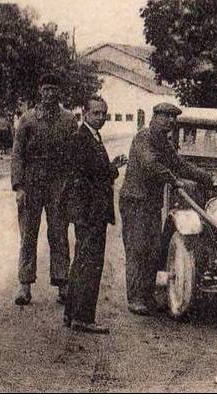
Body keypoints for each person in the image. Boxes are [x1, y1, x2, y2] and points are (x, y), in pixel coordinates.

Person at [119, 102, 212, 315]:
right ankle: (135, 298)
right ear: (155, 117)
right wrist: (174, 181)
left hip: (150, 203)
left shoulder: (163, 142)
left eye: (173, 117)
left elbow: (179, 164)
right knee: (137, 249)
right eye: (166, 116)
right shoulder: (144, 138)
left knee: (152, 249)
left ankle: (147, 296)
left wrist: (206, 178)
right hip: (135, 201)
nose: (171, 121)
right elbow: (150, 165)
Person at [10, 73, 78, 306]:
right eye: (46, 89)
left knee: (59, 234)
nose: (50, 93)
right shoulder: (28, 120)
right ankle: (24, 285)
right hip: (31, 184)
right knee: (28, 235)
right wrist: (18, 186)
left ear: (59, 92)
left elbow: (73, 156)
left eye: (54, 89)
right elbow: (17, 155)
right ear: (40, 90)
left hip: (58, 184)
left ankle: (63, 284)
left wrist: (72, 186)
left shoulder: (69, 120)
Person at [62, 96, 127, 334]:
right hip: (90, 212)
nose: (101, 118)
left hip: (90, 211)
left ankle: (72, 314)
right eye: (96, 113)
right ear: (85, 113)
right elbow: (90, 175)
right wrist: (113, 169)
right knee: (89, 263)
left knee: (82, 262)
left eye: (104, 114)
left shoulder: (91, 137)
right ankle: (83, 317)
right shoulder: (82, 139)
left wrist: (109, 168)